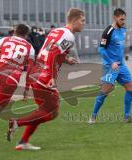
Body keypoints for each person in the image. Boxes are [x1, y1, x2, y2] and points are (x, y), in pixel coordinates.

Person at [6, 8, 85, 151]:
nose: (84, 23)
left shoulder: (56, 32)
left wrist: (66, 59)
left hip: (36, 72)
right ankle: (17, 122)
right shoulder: (69, 37)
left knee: (42, 110)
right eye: (82, 20)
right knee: (53, 111)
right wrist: (52, 77)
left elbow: (49, 50)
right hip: (45, 76)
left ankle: (22, 142)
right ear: (74, 20)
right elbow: (53, 54)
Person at [88, 8, 132, 124]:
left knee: (131, 89)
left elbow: (119, 47)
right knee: (104, 92)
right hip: (110, 66)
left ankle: (126, 117)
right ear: (115, 17)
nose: (123, 21)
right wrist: (111, 62)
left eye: (124, 19)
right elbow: (101, 50)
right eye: (121, 19)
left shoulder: (123, 30)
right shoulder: (108, 31)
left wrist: (124, 55)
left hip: (121, 66)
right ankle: (93, 117)